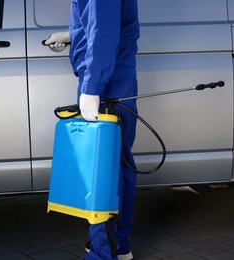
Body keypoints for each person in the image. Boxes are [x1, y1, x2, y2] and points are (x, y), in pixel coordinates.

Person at [45, 0, 139, 259]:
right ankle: (117, 245)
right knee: (116, 164)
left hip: (105, 80)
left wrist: (92, 86)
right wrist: (74, 35)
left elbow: (104, 29)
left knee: (103, 170)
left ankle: (103, 252)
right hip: (113, 75)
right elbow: (103, 21)